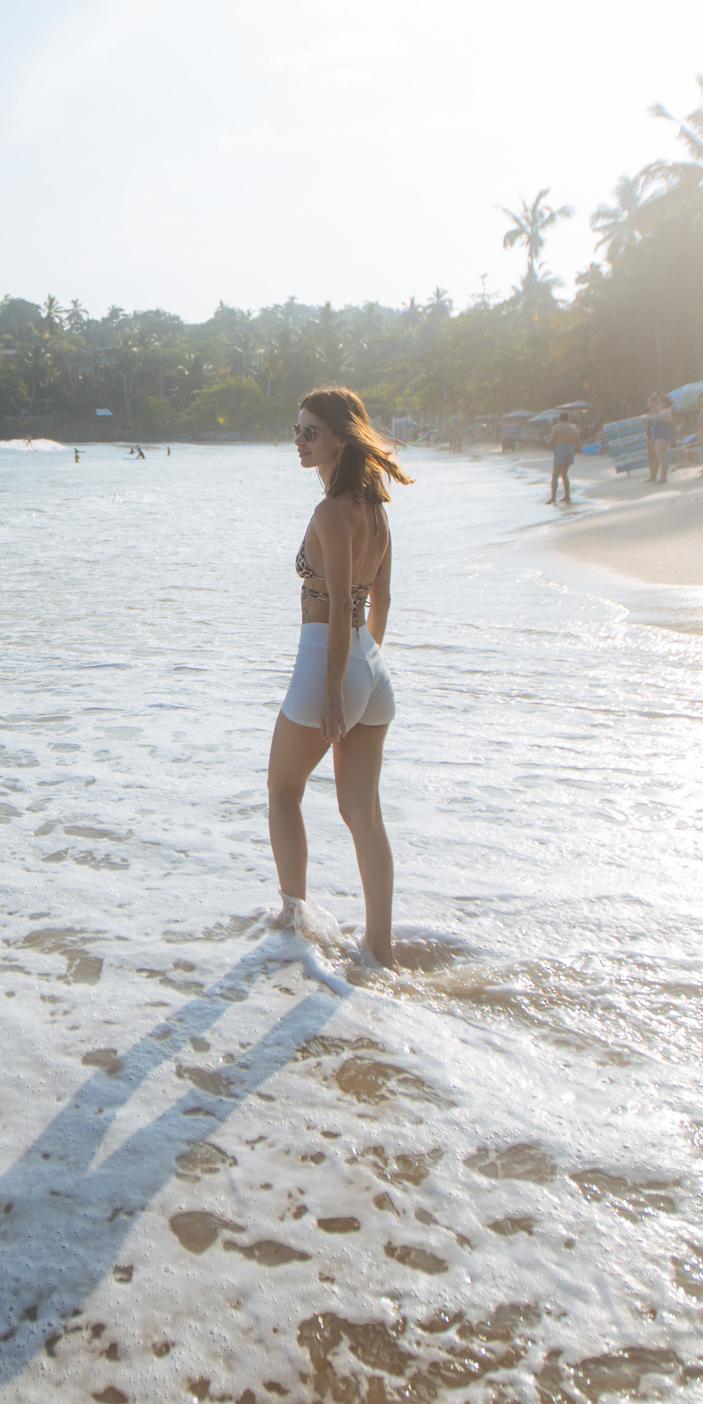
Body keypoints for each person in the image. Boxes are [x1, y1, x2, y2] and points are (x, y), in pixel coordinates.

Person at [269, 385, 412, 969]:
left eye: (310, 433)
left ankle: (292, 923)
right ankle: (380, 948)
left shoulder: (331, 512)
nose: (299, 443)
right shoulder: (374, 510)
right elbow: (380, 599)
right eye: (296, 430)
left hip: (328, 666)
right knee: (363, 814)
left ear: (339, 439)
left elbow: (330, 613)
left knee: (282, 791)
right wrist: (362, 666)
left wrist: (334, 688)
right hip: (372, 673)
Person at [547, 412, 581, 506]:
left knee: (555, 475)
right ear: (568, 418)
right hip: (571, 449)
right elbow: (578, 441)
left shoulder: (556, 427)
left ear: (559, 419)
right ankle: (567, 495)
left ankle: (553, 497)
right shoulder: (574, 427)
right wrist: (575, 450)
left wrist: (549, 442)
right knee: (564, 474)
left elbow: (552, 440)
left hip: (561, 448)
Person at [645, 395, 674, 483]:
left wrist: (646, 418)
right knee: (660, 457)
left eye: (660, 402)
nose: (658, 404)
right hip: (659, 436)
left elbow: (658, 418)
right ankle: (662, 477)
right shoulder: (663, 411)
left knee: (662, 458)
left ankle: (663, 478)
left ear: (664, 403)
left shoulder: (666, 411)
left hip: (662, 436)